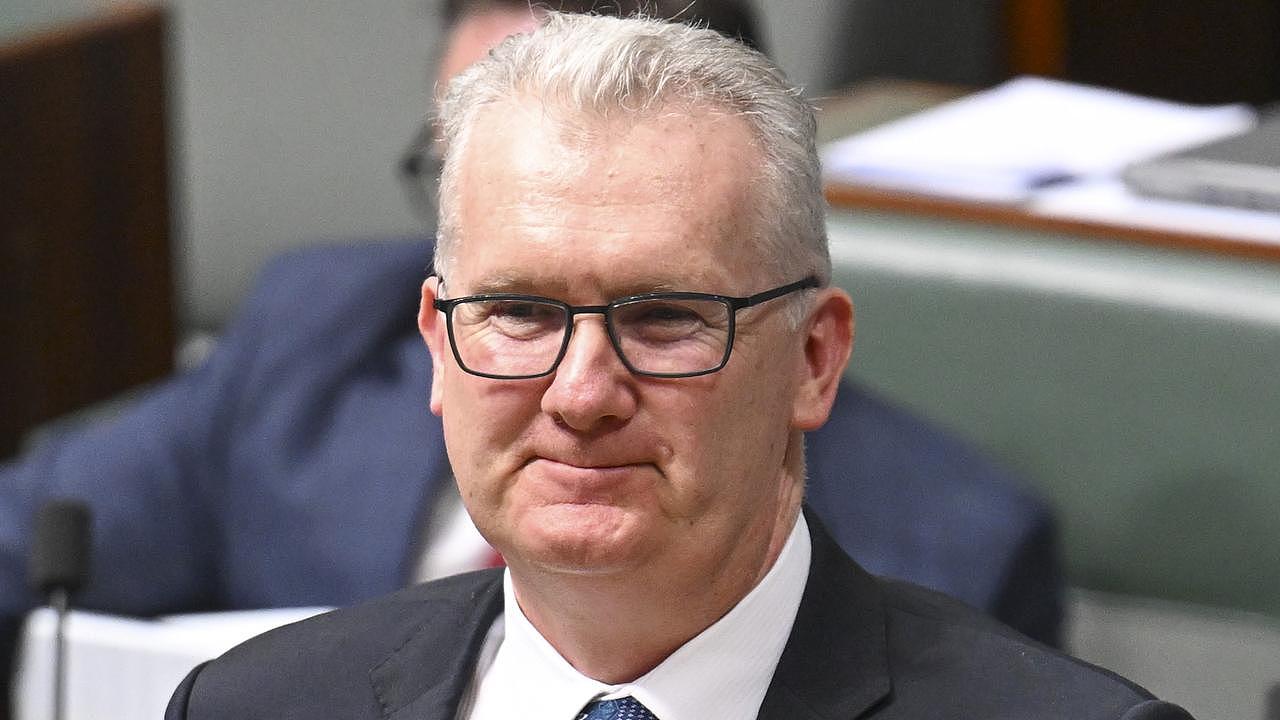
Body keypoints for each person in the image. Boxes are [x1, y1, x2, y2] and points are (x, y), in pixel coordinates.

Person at [0, 0, 1060, 711]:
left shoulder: (963, 565)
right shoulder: (250, 703)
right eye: (516, 311)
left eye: (661, 316)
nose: (581, 392)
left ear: (811, 358)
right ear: (438, 341)